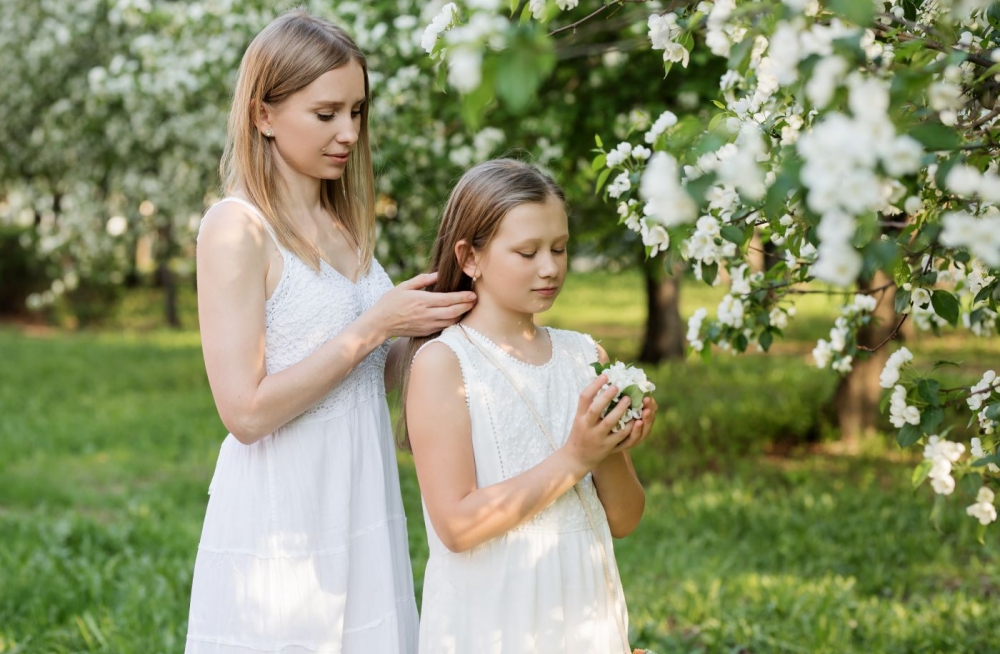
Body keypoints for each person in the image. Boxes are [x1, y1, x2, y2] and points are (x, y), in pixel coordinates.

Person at [185, 10, 475, 654]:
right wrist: (374, 326)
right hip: (283, 509)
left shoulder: (343, 227)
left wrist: (438, 317)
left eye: (358, 112)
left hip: (361, 495)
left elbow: (381, 369)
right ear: (264, 113)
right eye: (326, 115)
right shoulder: (237, 229)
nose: (348, 133)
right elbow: (246, 412)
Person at [402, 159, 657, 653]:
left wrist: (609, 447)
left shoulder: (585, 357)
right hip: (495, 616)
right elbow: (456, 525)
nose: (550, 267)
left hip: (583, 611)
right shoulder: (445, 364)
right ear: (469, 257)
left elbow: (624, 519)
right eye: (527, 251)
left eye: (560, 248)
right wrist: (577, 456)